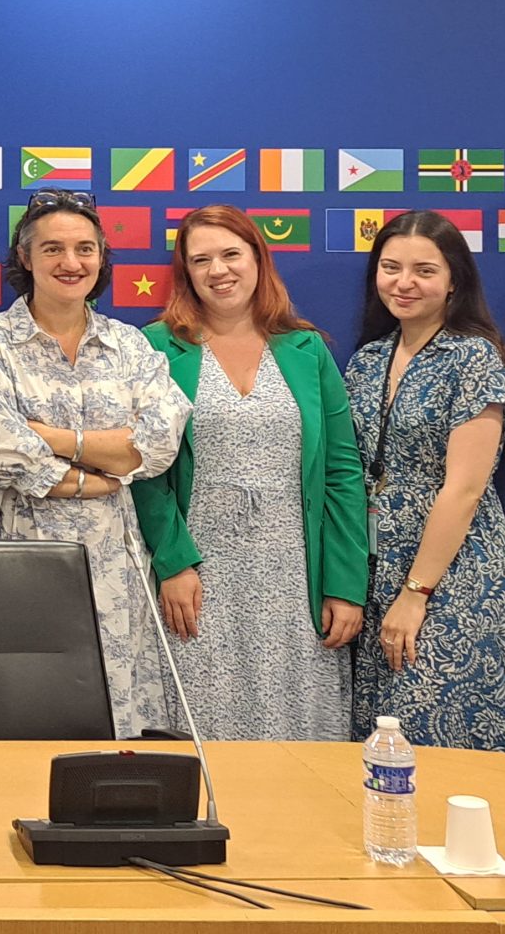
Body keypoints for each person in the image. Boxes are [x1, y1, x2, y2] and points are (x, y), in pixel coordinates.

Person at [0, 193, 189, 740]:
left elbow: (157, 444)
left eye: (85, 249)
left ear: (102, 258)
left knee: (112, 705)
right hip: (13, 548)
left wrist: (52, 437)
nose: (70, 262)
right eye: (52, 248)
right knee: (16, 698)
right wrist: (95, 474)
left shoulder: (130, 346)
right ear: (25, 257)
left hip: (113, 555)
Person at [132, 206, 367, 741]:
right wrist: (173, 563)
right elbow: (146, 469)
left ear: (258, 259)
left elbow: (341, 472)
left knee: (297, 726)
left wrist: (345, 585)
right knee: (206, 720)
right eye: (201, 260)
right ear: (186, 272)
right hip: (199, 574)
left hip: (294, 576)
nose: (218, 270)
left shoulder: (306, 348)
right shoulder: (157, 346)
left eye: (231, 254)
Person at [344, 211, 505, 752]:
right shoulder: (367, 360)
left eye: (424, 270)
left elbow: (464, 489)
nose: (404, 283)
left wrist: (416, 594)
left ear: (454, 281)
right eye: (391, 268)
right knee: (380, 737)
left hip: (451, 573)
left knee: (435, 722)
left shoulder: (472, 359)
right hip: (375, 570)